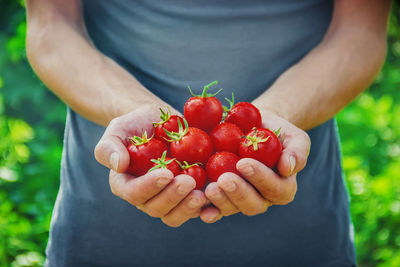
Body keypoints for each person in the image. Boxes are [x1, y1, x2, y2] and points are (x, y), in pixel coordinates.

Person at [26, 0, 391, 266]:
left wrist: (273, 119)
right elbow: (50, 25)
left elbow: (360, 31)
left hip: (300, 242)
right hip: (104, 238)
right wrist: (139, 114)